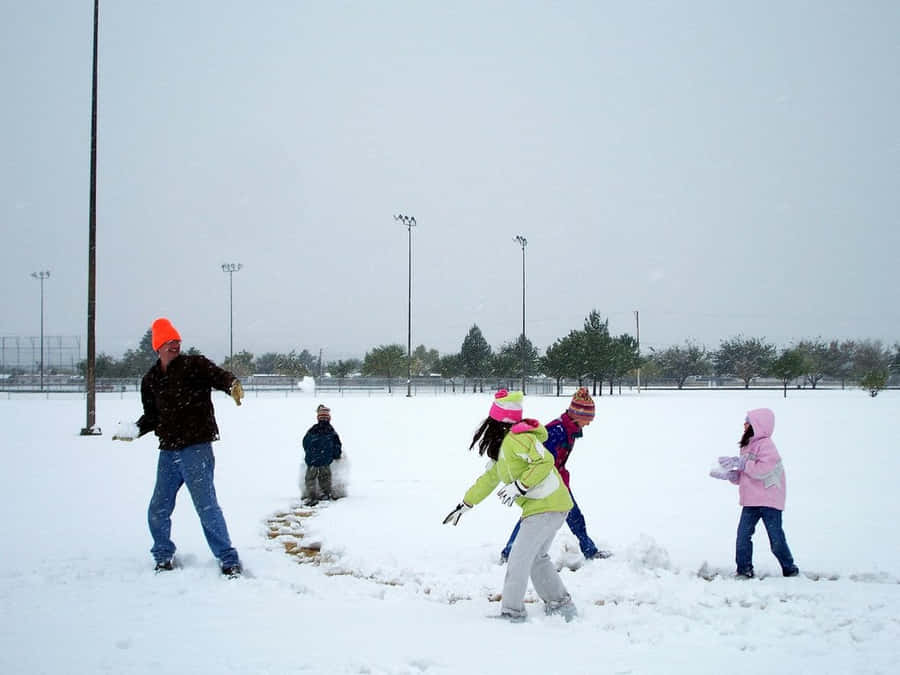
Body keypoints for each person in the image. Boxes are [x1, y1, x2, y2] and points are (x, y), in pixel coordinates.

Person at [112, 317, 245, 578]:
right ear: (158, 346)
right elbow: (151, 416)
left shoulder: (195, 365)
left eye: (177, 342)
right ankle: (163, 556)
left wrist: (232, 386)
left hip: (196, 448)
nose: (175, 346)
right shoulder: (150, 380)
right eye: (169, 342)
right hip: (168, 451)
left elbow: (219, 376)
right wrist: (135, 430)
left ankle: (228, 559)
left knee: (206, 506)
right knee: (158, 507)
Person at [443, 390, 577, 622]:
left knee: (519, 559)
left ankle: (512, 613)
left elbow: (544, 461)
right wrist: (465, 504)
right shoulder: (505, 448)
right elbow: (488, 480)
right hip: (553, 505)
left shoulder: (518, 438)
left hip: (545, 506)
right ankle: (561, 605)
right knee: (536, 558)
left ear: (498, 422)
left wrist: (520, 486)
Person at [500, 387, 608, 562]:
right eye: (588, 419)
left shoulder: (569, 429)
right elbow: (541, 460)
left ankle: (589, 549)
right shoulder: (556, 431)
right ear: (578, 415)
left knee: (572, 515)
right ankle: (509, 552)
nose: (589, 423)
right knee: (532, 516)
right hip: (545, 482)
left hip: (557, 481)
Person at [711, 408, 799, 579]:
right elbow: (748, 475)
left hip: (769, 500)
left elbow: (764, 471)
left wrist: (742, 465)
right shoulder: (746, 446)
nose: (744, 425)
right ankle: (744, 570)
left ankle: (789, 568)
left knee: (776, 539)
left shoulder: (766, 445)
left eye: (748, 422)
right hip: (751, 500)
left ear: (758, 425)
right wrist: (731, 475)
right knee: (743, 536)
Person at [301, 404, 343, 506]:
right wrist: (336, 455)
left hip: (312, 460)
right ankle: (325, 493)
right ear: (329, 419)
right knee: (325, 477)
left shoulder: (312, 430)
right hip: (325, 460)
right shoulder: (331, 431)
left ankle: (311, 495)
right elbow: (337, 445)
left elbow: (305, 442)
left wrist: (308, 452)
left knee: (310, 479)